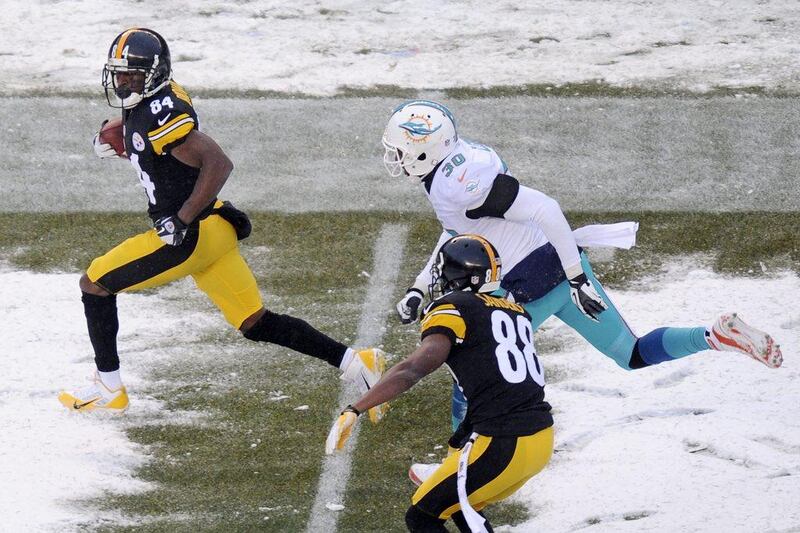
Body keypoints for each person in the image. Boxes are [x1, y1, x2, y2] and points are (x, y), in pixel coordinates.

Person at [381, 99, 784, 481]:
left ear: (425, 150)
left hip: (530, 285)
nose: (395, 158)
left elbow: (546, 208)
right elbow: (460, 229)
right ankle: (715, 336)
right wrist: (420, 286)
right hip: (557, 267)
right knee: (631, 352)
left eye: (400, 150)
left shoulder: (458, 185)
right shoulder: (452, 173)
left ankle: (457, 468)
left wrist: (575, 278)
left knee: (468, 373)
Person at [58, 28, 386, 421]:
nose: (124, 81)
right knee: (255, 322)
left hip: (190, 234)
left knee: (94, 283)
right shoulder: (150, 102)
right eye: (120, 73)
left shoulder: (163, 114)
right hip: (215, 231)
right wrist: (125, 141)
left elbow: (217, 163)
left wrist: (180, 220)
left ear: (155, 73)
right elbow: (157, 147)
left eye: (133, 74)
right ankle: (357, 362)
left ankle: (109, 388)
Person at [327, 234, 554, 532]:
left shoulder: (454, 306)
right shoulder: (515, 311)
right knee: (458, 503)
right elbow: (500, 383)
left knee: (421, 516)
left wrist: (355, 408)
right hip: (539, 438)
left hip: (504, 442)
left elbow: (413, 369)